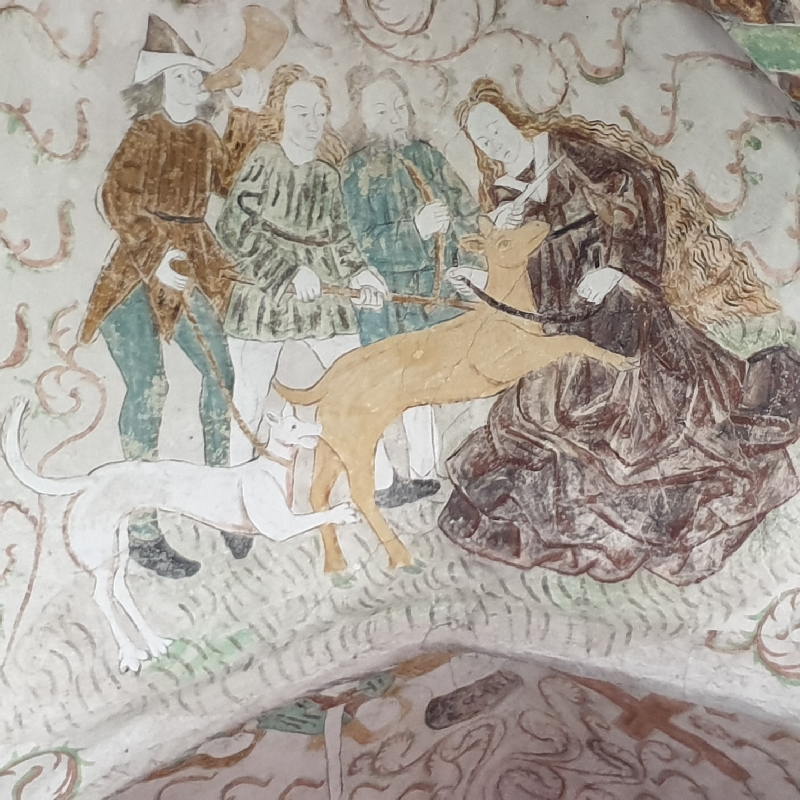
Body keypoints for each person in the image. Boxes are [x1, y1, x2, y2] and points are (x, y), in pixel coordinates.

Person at [438, 78, 800, 586]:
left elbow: (641, 185)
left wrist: (619, 268)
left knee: (644, 410)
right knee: (537, 412)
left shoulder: (569, 154)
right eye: (482, 139)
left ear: (511, 118)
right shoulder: (505, 195)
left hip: (622, 306)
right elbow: (522, 273)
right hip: (566, 316)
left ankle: (648, 516)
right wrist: (484, 273)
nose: (493, 142)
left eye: (494, 127)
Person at [79, 15, 272, 577]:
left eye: (195, 75)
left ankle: (226, 503)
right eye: (180, 75)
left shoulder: (204, 136)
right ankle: (142, 528)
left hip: (190, 261)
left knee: (221, 375)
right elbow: (115, 198)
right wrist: (156, 253)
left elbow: (234, 182)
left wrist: (247, 114)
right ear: (159, 84)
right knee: (150, 387)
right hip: (136, 276)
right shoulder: (145, 133)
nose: (191, 83)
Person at [216, 64, 406, 498]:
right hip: (264, 296)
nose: (312, 122)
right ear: (280, 114)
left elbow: (339, 238)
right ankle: (237, 494)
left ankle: (378, 481)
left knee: (354, 380)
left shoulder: (326, 174)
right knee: (250, 397)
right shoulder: (264, 159)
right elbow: (233, 228)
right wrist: (284, 271)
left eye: (320, 113)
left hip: (322, 293)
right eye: (301, 112)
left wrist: (361, 273)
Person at [339, 67, 483, 506]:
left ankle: (436, 474)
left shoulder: (428, 157)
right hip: (387, 302)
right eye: (381, 109)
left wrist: (469, 265)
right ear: (364, 117)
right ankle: (393, 480)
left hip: (438, 296)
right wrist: (415, 229)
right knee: (388, 391)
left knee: (438, 386)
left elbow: (466, 215)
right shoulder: (355, 170)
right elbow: (357, 242)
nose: (394, 116)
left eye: (399, 106)